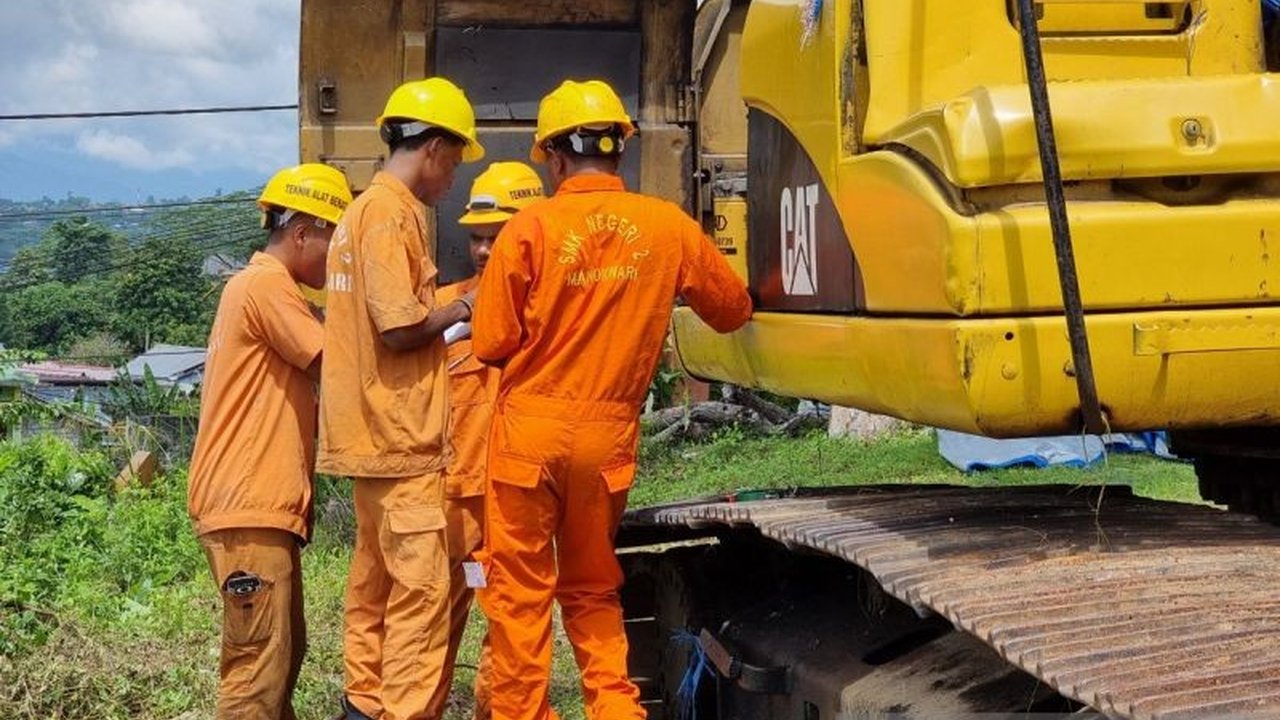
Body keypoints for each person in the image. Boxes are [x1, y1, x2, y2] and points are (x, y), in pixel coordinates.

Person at [472, 79, 753, 720]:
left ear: (553, 156)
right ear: (618, 151)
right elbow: (733, 310)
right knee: (594, 586)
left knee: (518, 594)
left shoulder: (528, 229)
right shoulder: (667, 226)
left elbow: (490, 342)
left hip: (529, 437)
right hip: (606, 441)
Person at [317, 77, 486, 720]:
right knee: (421, 595)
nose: (452, 180)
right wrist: (462, 307)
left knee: (373, 587)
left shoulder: (358, 214)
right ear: (435, 147)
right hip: (402, 440)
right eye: (455, 163)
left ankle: (363, 705)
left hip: (369, 442)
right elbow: (397, 326)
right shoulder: (392, 214)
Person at [187, 162, 352, 719]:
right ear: (303, 232)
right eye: (337, 240)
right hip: (249, 505)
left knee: (279, 655)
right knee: (256, 669)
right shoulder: (264, 286)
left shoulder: (266, 289)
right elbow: (341, 359)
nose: (339, 259)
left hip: (256, 508)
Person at [427, 161, 546, 720]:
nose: (481, 250)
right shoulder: (446, 308)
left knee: (509, 630)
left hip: (517, 500)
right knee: (426, 627)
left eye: (494, 237)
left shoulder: (553, 316)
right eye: (475, 237)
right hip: (450, 501)